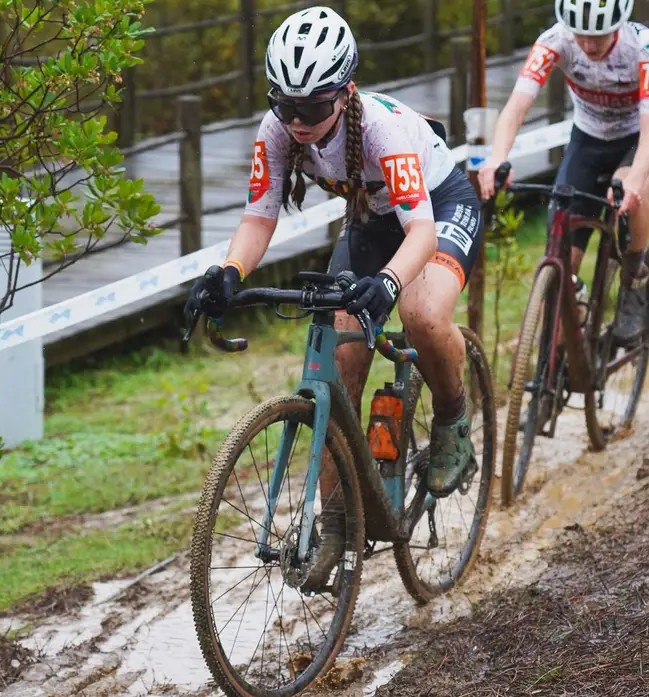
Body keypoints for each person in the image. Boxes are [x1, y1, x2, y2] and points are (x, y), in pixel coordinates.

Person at [183, 5, 484, 588]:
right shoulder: (278, 130)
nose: (297, 121)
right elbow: (258, 217)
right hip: (371, 221)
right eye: (285, 105)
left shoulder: (380, 132)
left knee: (422, 314)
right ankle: (337, 526)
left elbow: (420, 233)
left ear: (345, 94)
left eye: (313, 108)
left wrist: (390, 283)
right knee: (337, 362)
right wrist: (228, 271)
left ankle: (453, 419)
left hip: (438, 208)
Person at [478, 0, 649, 347]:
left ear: (619, 25)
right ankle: (558, 356)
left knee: (635, 187)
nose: (587, 45)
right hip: (588, 142)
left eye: (598, 36)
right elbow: (516, 107)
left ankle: (634, 282)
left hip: (636, 141)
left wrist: (632, 180)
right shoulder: (555, 40)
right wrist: (496, 158)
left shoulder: (645, 49)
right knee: (560, 258)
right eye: (580, 35)